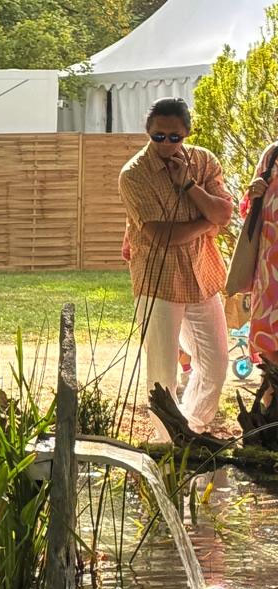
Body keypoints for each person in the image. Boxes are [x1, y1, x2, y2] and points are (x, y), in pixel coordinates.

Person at [118, 97, 233, 435]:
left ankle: (192, 429)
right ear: (147, 131)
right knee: (162, 372)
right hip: (159, 281)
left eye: (174, 137)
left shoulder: (203, 161)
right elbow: (161, 235)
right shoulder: (134, 175)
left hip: (202, 274)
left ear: (186, 134)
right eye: (158, 136)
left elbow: (224, 214)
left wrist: (189, 185)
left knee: (216, 363)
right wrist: (206, 222)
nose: (166, 143)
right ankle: (165, 439)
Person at [244, 141, 278, 366]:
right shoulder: (273, 154)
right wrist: (254, 194)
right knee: (271, 357)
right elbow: (249, 210)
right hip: (271, 279)